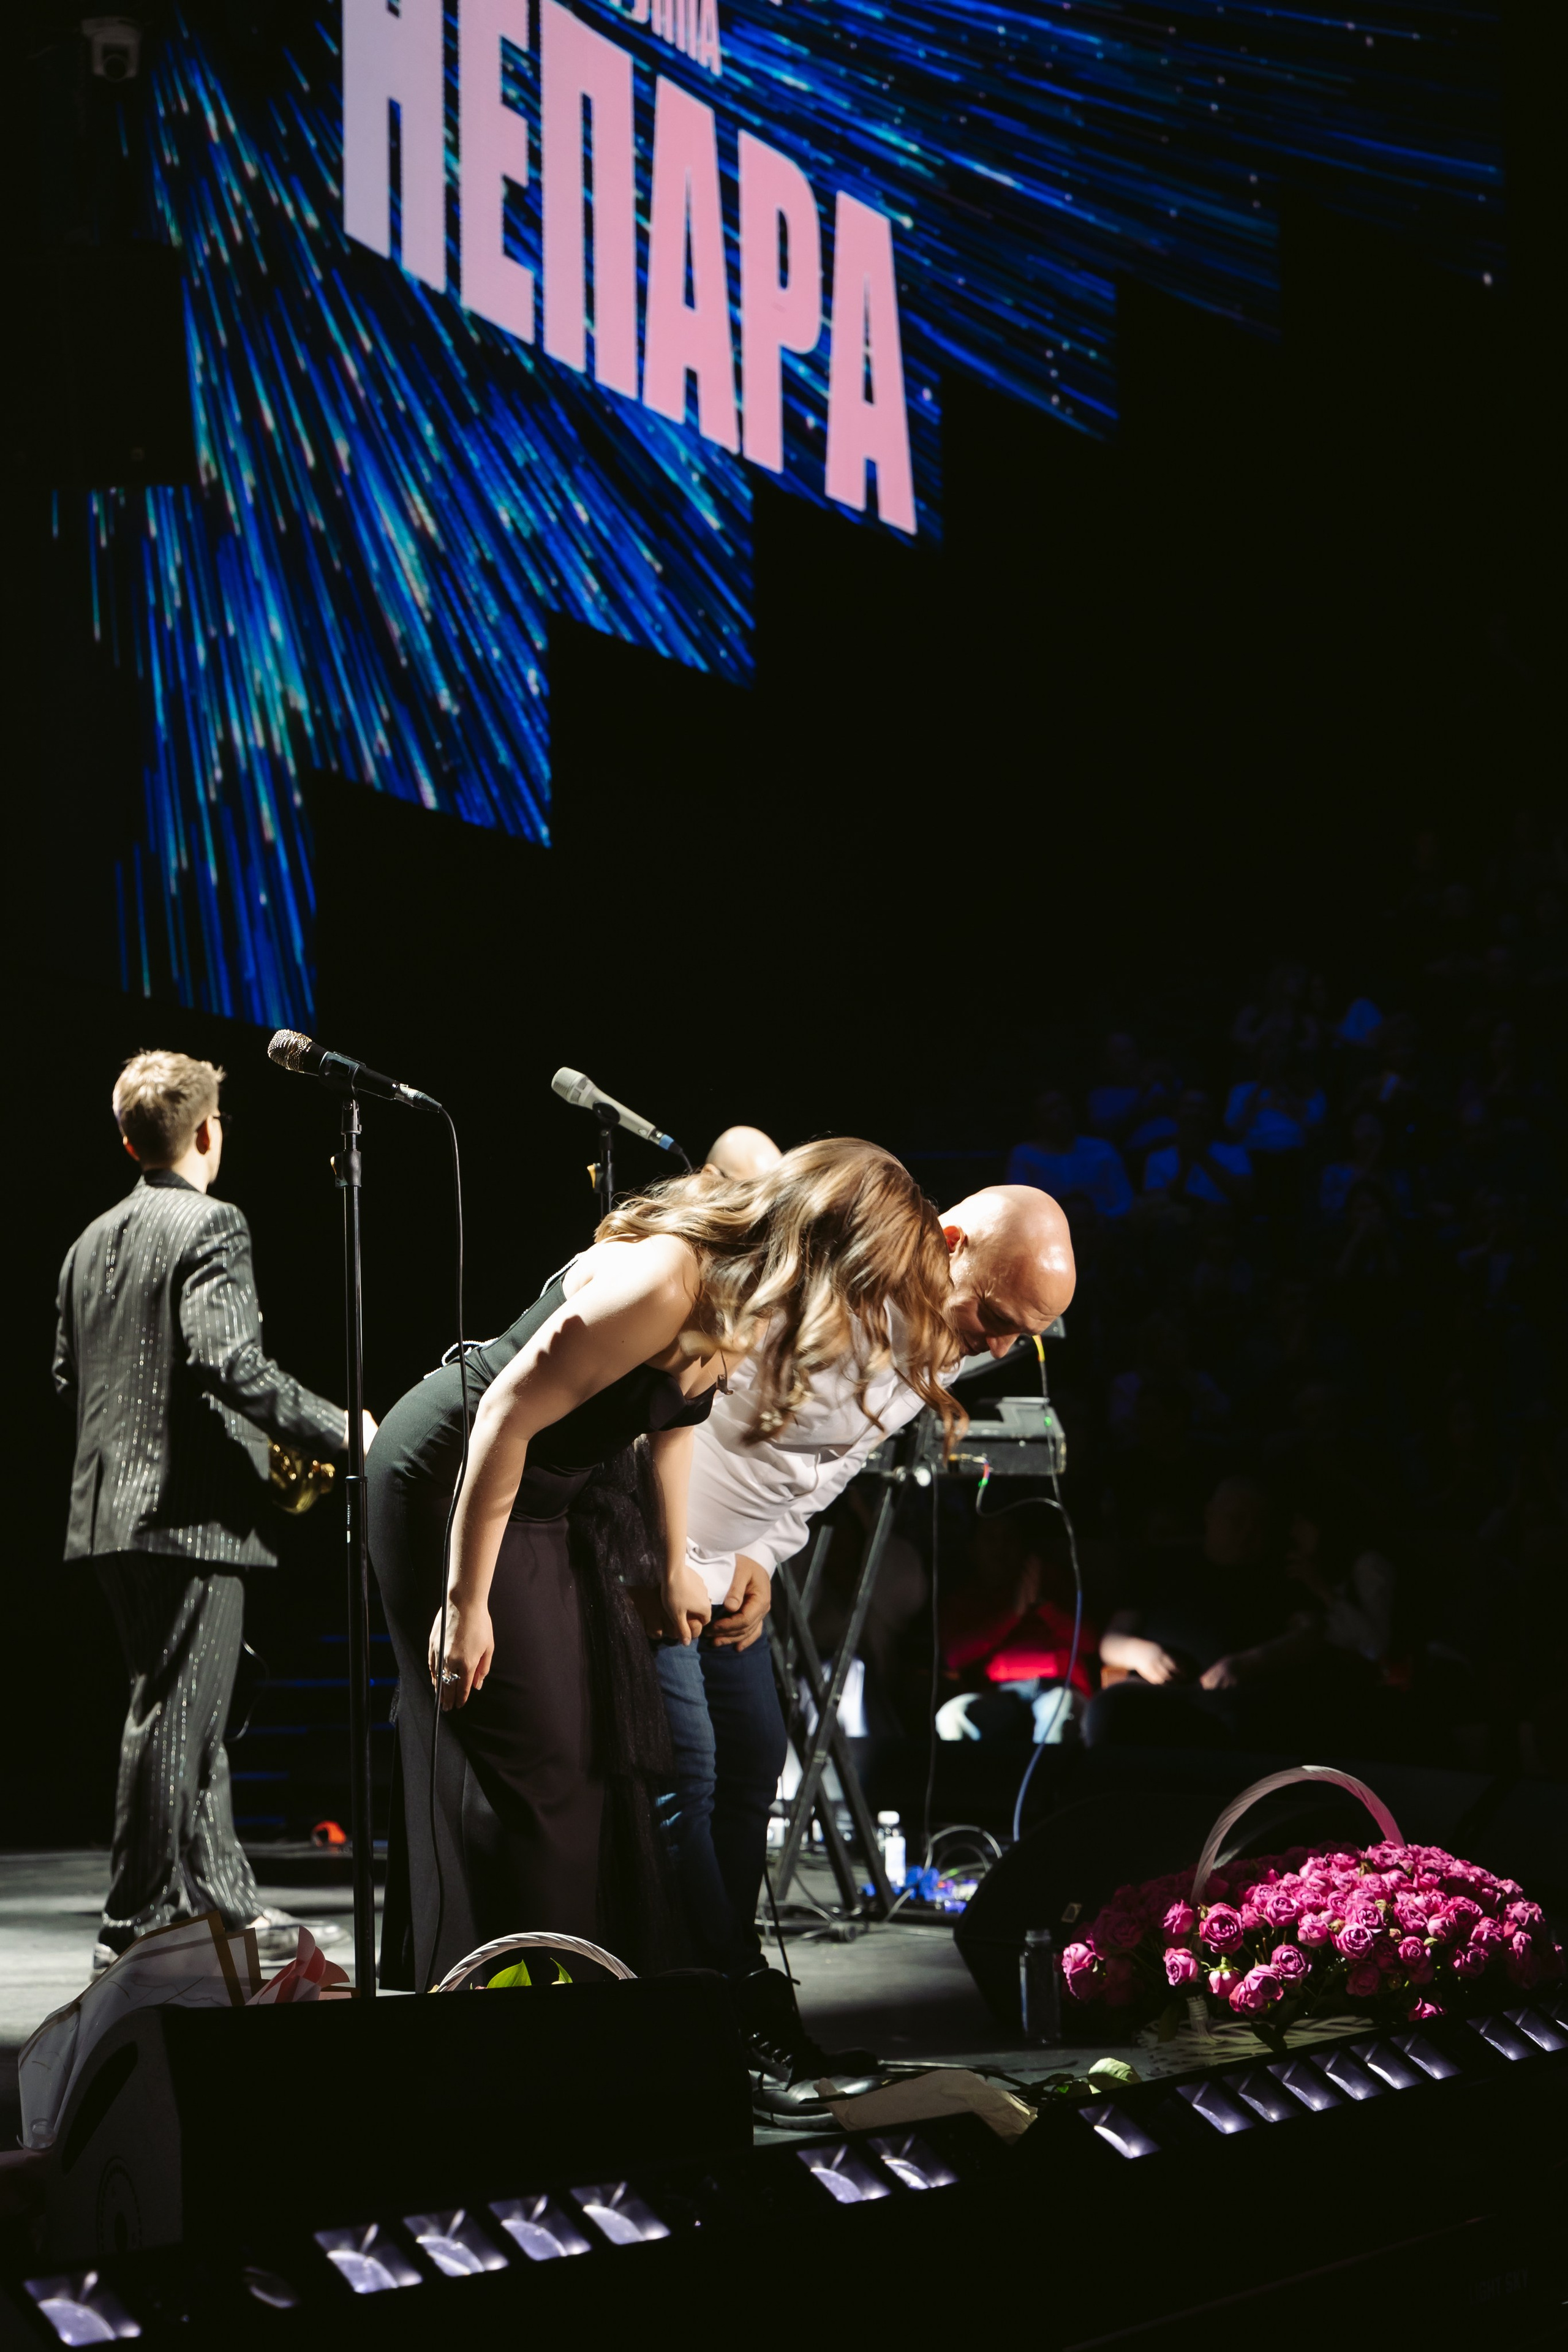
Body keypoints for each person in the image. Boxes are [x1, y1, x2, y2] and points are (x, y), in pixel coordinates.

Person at [367, 1139, 959, 1992]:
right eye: (874, 1287)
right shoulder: (670, 1280)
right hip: (453, 1481)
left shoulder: (750, 1300)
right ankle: (501, 2004)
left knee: (593, 1770)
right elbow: (501, 1413)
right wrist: (466, 1602)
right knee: (540, 1781)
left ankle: (566, 2005)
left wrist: (675, 1557)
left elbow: (672, 1420)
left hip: (549, 1499)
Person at [662, 1177, 1074, 2113]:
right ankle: (700, 2007)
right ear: (950, 1240)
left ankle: (730, 1997)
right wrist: (677, 1555)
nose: (998, 1346)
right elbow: (685, 1410)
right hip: (654, 1546)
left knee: (754, 1755)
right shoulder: (828, 1288)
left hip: (728, 1561)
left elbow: (833, 1461)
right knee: (684, 1771)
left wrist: (762, 1553)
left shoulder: (953, 1340)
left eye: (1024, 1337)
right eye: (996, 1316)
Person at [54, 1051, 358, 1972]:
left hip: (108, 1514)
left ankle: (221, 1906)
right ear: (209, 1132)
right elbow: (229, 1360)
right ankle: (138, 1924)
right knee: (174, 1715)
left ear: (128, 1138)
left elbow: (69, 1380)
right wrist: (344, 1429)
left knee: (191, 1710)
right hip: (187, 1516)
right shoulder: (213, 1223)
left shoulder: (86, 1243)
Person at [1006, 1091, 1132, 1219]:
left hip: (1103, 1228)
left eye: (1064, 1105)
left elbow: (1124, 1200)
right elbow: (1018, 1206)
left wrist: (1105, 1219)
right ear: (1037, 1119)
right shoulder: (1024, 1155)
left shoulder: (1102, 1149)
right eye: (1051, 1109)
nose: (1061, 1112)